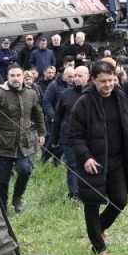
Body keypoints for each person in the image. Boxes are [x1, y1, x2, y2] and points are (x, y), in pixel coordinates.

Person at [67, 61, 128, 255]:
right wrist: (85, 156)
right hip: (94, 162)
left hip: (117, 160)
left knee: (120, 200)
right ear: (93, 80)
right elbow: (74, 135)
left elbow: (126, 124)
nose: (108, 85)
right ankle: (99, 249)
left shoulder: (120, 96)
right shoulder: (84, 103)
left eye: (111, 80)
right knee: (92, 203)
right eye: (103, 81)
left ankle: (98, 229)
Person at [0, 63, 46, 214]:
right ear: (7, 77)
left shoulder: (31, 93)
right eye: (12, 76)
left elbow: (38, 113)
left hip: (24, 141)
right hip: (3, 142)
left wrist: (42, 132)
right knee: (3, 179)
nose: (16, 79)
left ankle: (17, 199)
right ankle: (2, 205)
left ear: (23, 76)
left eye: (18, 75)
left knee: (25, 169)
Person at [52, 66, 90, 202]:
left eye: (80, 76)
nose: (76, 79)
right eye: (75, 76)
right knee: (73, 165)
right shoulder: (66, 95)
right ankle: (74, 194)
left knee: (88, 165)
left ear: (88, 76)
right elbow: (58, 117)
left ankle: (88, 191)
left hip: (89, 137)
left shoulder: (93, 94)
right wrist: (54, 138)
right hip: (69, 137)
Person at [42, 67, 74, 164]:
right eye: (69, 77)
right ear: (63, 75)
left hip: (68, 120)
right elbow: (46, 101)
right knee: (53, 141)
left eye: (73, 76)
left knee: (64, 143)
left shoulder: (74, 86)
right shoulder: (54, 85)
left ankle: (56, 162)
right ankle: (43, 161)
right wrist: (52, 116)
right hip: (55, 119)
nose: (72, 79)